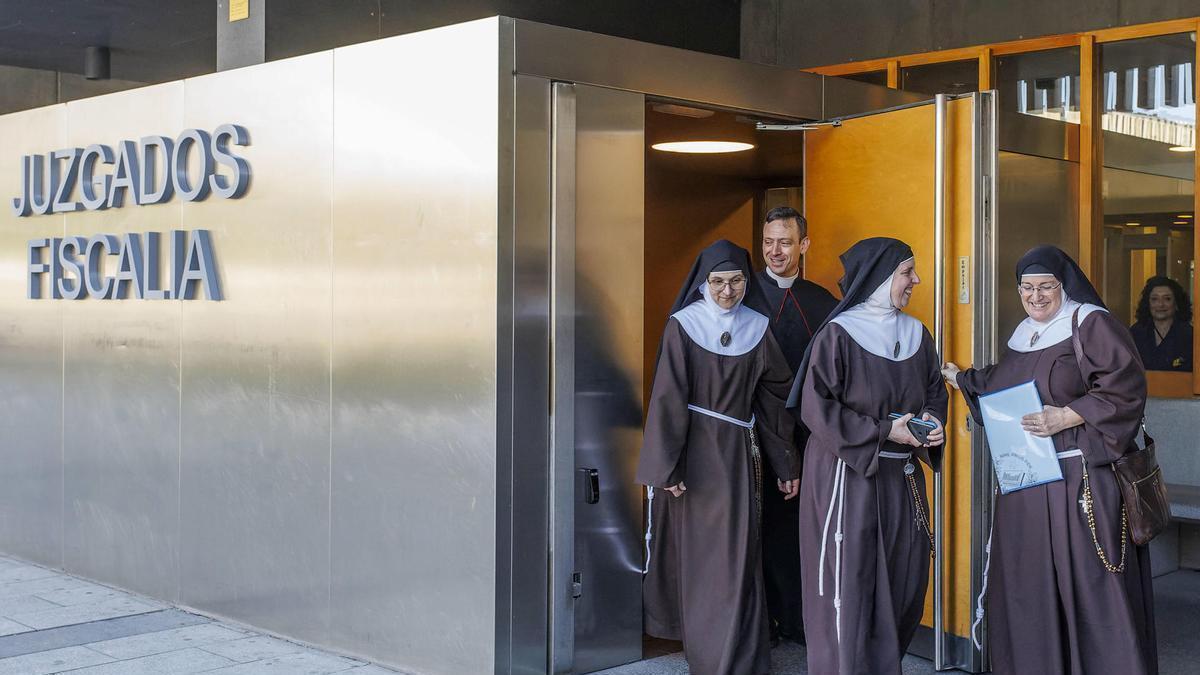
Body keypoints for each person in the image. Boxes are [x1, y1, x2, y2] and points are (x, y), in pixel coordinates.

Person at [942, 245, 1156, 675]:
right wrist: (959, 378)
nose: (1036, 296)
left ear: (1064, 286)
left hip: (1079, 480)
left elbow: (1126, 388)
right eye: (1026, 288)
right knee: (1031, 584)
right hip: (1028, 481)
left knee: (1088, 584)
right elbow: (1003, 386)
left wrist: (1066, 415)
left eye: (1046, 287)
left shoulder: (1090, 323)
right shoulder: (1024, 334)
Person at [638, 239, 799, 675]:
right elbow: (668, 398)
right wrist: (666, 466)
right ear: (702, 284)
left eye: (736, 282)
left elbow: (773, 400)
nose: (727, 291)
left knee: (740, 553)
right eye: (717, 282)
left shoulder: (757, 327)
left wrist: (786, 463)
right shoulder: (683, 326)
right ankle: (710, 655)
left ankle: (740, 654)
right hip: (694, 459)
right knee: (705, 557)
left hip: (739, 455)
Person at [788, 237, 947, 675]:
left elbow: (934, 392)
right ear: (880, 278)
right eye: (906, 272)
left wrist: (933, 425)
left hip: (903, 479)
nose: (915, 280)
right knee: (852, 585)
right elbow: (816, 407)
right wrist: (881, 431)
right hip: (849, 477)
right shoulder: (839, 335)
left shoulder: (917, 333)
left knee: (904, 579)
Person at [756, 205, 837, 644]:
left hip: (806, 435)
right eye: (768, 242)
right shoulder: (742, 293)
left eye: (785, 242)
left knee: (797, 526)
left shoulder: (821, 301)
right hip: (751, 432)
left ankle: (797, 619)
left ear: (803, 244)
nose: (775, 251)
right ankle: (762, 620)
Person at [1130, 275, 1193, 371]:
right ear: (1148, 303)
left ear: (1176, 303)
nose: (1160, 304)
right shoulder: (1136, 333)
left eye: (1167, 299)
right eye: (1154, 299)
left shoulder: (1190, 335)